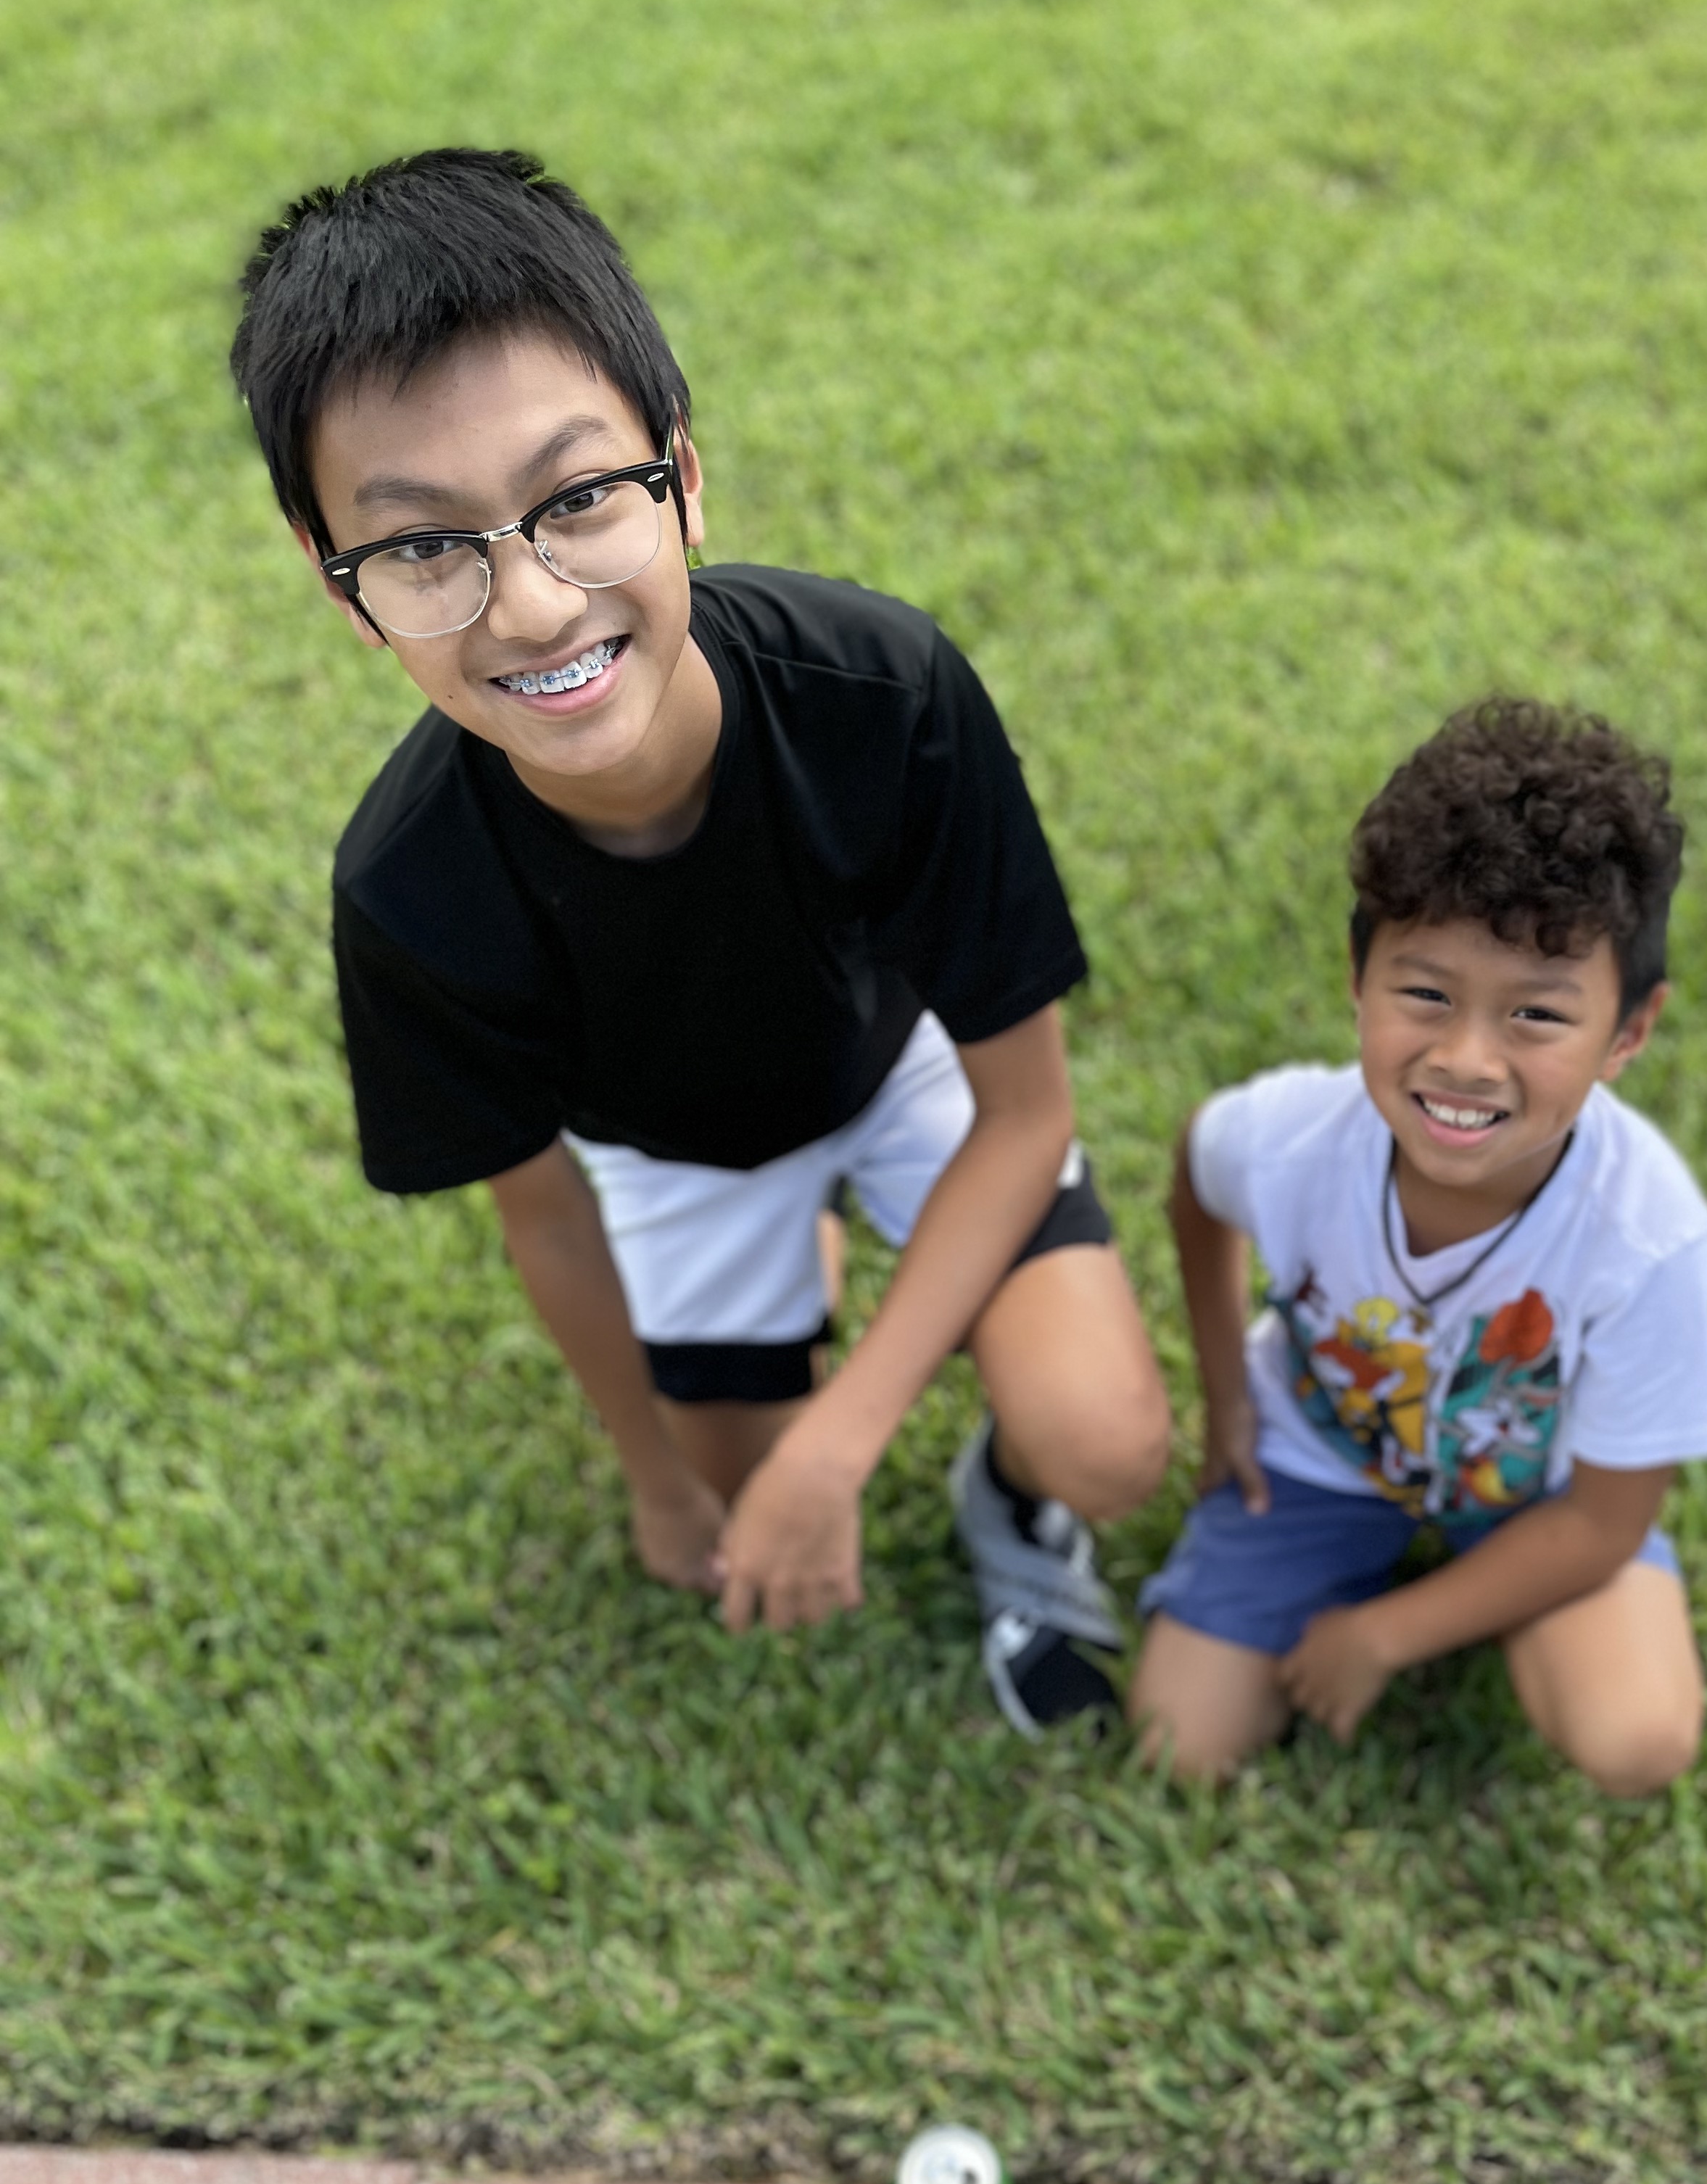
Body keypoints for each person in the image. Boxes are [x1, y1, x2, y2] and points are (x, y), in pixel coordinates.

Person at [228, 148, 1170, 1734]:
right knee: (731, 1506)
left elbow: (1025, 1116)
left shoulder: (882, 693)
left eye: (578, 499)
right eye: (424, 546)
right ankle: (784, 1271)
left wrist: (842, 1445)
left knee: (1109, 1445)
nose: (531, 606)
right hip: (676, 1157)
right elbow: (548, 1221)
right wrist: (662, 1480)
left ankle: (993, 1482)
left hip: (905, 1083)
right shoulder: (408, 891)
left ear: (682, 475)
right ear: (347, 595)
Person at [1130, 696, 1707, 1789]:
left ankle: (1463, 1602)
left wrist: (1382, 1637)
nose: (1466, 1059)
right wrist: (1225, 1396)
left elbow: (1603, 1523)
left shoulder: (1646, 1234)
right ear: (1357, 980)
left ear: (1628, 1032)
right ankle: (1358, 1560)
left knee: (1636, 1740)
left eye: (1536, 1015)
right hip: (1317, 1460)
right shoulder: (1287, 1140)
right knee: (1183, 1745)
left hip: (1536, 1501)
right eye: (1424, 993)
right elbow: (1197, 1184)